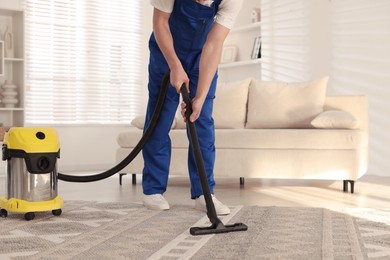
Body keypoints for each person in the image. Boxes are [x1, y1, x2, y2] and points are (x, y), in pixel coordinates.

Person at [142, 0, 243, 215]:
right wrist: (175, 65)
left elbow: (214, 44)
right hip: (165, 52)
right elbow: (160, 23)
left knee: (202, 120)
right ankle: (153, 190)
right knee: (160, 120)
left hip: (201, 58)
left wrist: (200, 97)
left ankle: (204, 193)